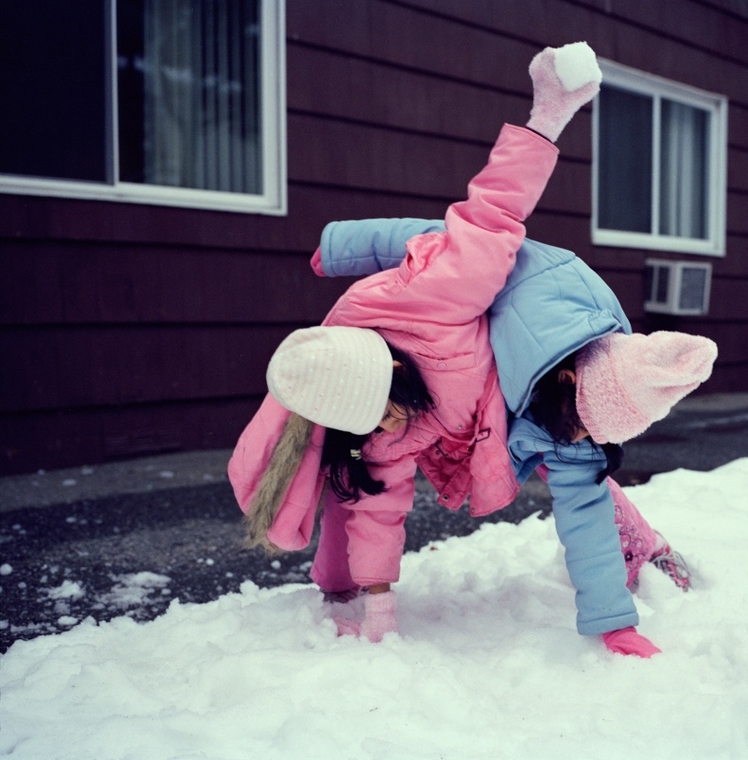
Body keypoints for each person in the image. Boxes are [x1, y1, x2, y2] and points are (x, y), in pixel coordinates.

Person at [229, 43, 602, 644]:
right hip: (457, 429)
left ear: (391, 368)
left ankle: (633, 542)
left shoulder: (439, 294)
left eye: (381, 408)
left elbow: (494, 211)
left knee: (575, 463)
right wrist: (379, 609)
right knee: (347, 484)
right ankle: (333, 582)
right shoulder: (371, 430)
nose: (384, 425)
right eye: (370, 422)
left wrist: (548, 115)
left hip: (513, 385)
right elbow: (380, 507)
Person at [314, 161, 717, 655]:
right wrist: (341, 249)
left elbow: (582, 503)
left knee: (586, 479)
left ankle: (643, 546)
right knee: (354, 463)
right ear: (567, 381)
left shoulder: (590, 400)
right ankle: (336, 581)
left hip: (499, 402)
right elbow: (437, 237)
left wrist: (615, 625)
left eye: (594, 433)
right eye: (581, 427)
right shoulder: (528, 280)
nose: (579, 439)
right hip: (433, 376)